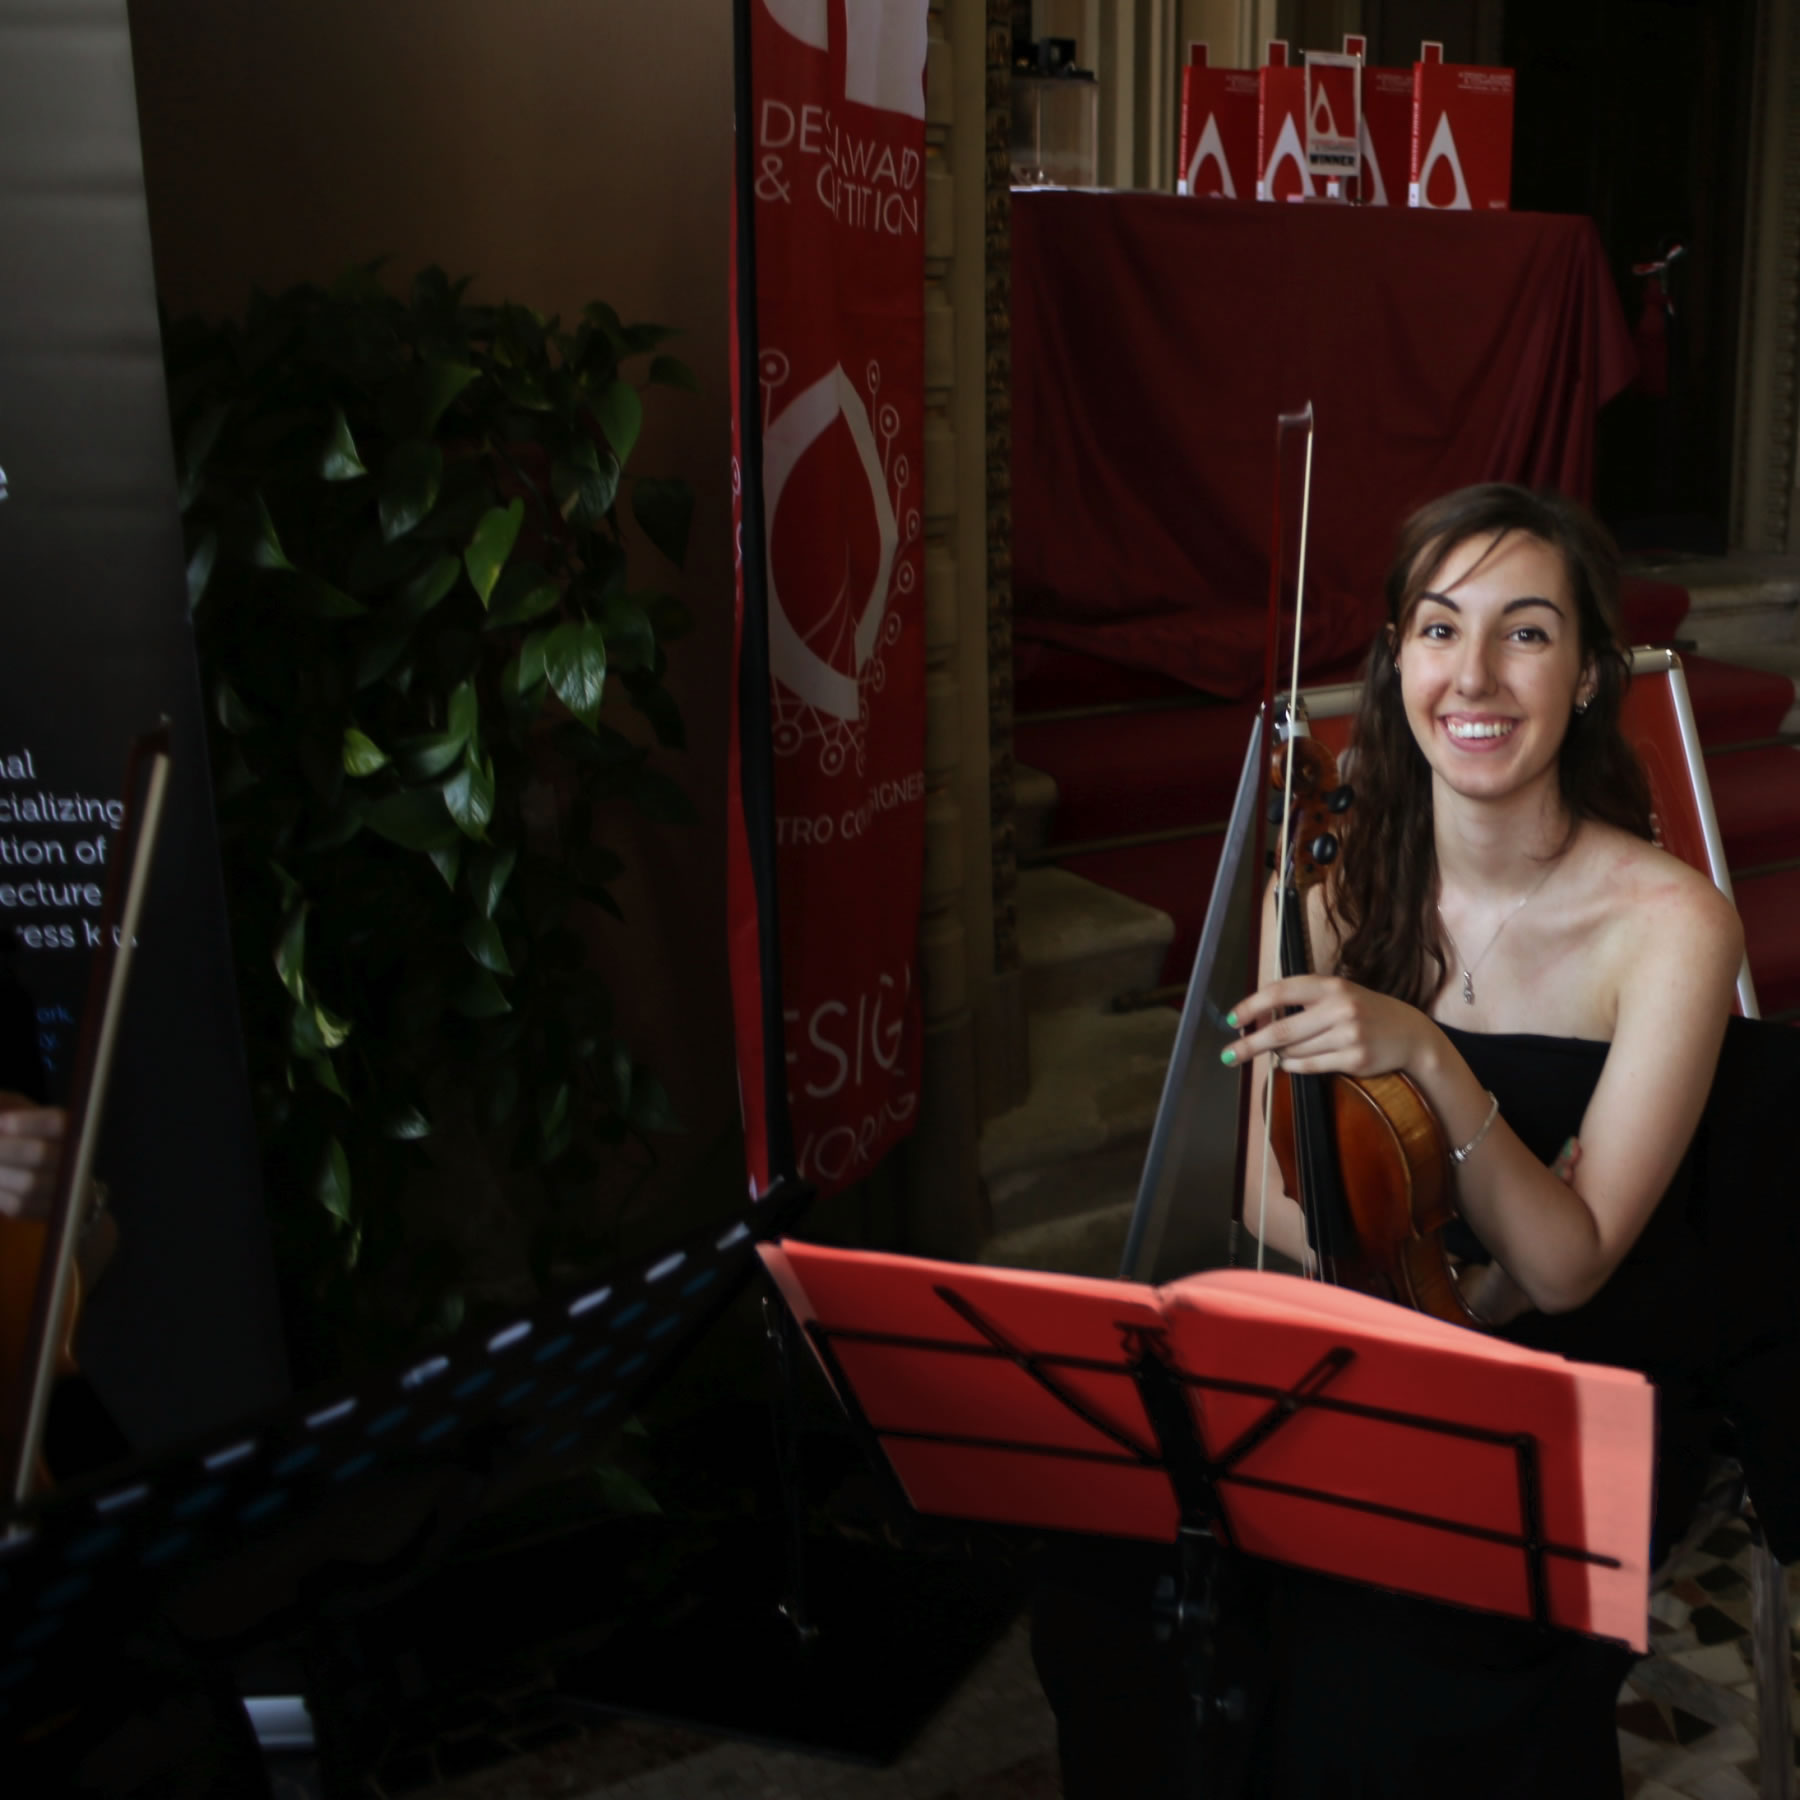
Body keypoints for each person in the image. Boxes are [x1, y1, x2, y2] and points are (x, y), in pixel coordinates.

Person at [1219, 482, 1742, 1797]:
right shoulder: (1325, 892)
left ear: (1585, 675)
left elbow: (1566, 1273)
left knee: (1386, 1659)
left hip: (1582, 1402)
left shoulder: (1673, 929)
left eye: (1526, 633)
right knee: (1137, 1599)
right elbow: (1255, 1191)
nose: (1477, 674)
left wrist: (1427, 1060)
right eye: (1441, 629)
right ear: (1398, 659)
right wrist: (1431, 1285)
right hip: (1384, 1351)